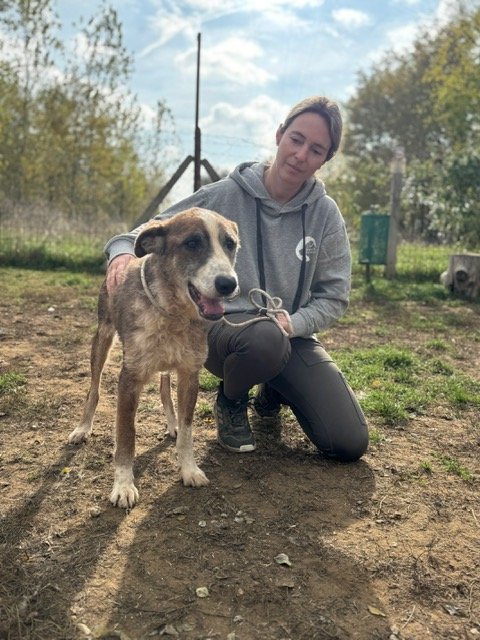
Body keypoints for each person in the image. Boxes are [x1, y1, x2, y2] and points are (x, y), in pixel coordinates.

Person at [104, 96, 369, 461]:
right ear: (279, 135)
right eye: (296, 139)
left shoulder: (325, 214)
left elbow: (335, 296)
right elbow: (154, 228)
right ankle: (231, 399)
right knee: (263, 340)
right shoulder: (224, 195)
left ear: (326, 159)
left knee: (348, 441)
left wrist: (294, 323)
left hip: (289, 334)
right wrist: (120, 251)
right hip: (225, 329)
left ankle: (273, 388)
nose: (300, 154)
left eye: (316, 149)